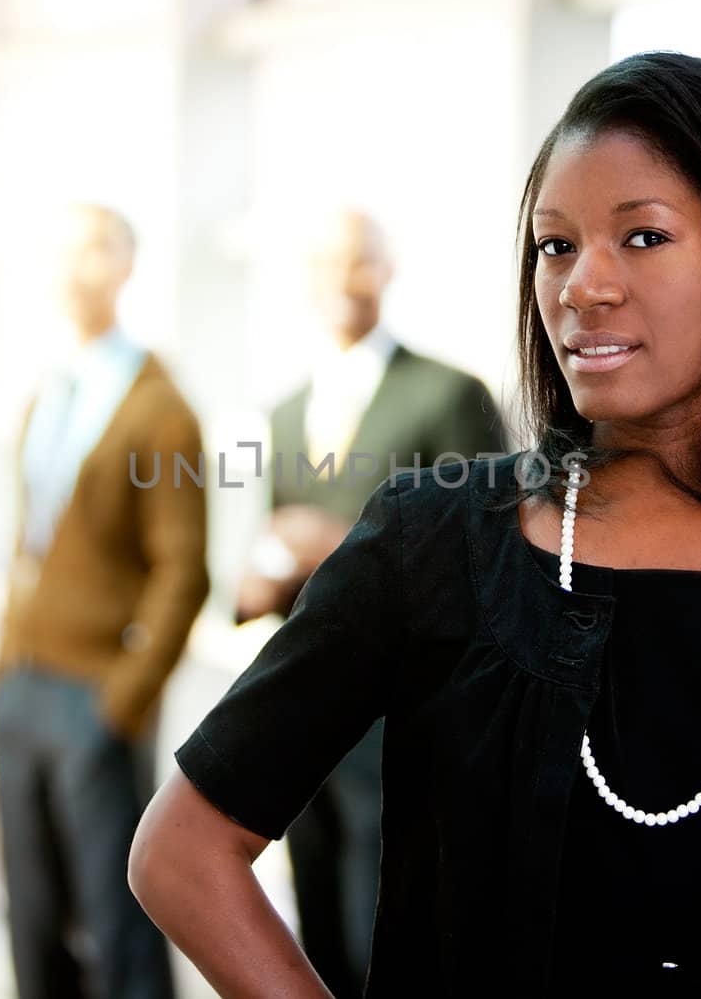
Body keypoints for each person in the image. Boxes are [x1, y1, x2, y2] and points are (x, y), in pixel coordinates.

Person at [128, 54, 701, 997]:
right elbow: (182, 851)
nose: (582, 286)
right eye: (555, 245)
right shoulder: (437, 541)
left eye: (644, 237)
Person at [234, 207, 505, 996]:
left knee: (385, 932)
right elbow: (280, 543)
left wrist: (334, 542)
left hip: (403, 723)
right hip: (308, 715)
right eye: (329, 264)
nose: (346, 279)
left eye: (361, 261)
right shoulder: (285, 411)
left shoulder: (450, 394)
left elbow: (484, 552)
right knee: (315, 931)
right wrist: (260, 582)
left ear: (387, 271)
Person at [0, 203, 209, 999]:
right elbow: (30, 542)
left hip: (96, 699)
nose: (72, 269)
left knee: (118, 930)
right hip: (23, 687)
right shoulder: (49, 391)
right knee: (31, 916)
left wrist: (120, 702)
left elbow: (184, 571)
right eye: (61, 252)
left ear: (125, 267)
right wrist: (1, 669)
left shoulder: (162, 409)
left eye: (91, 251)